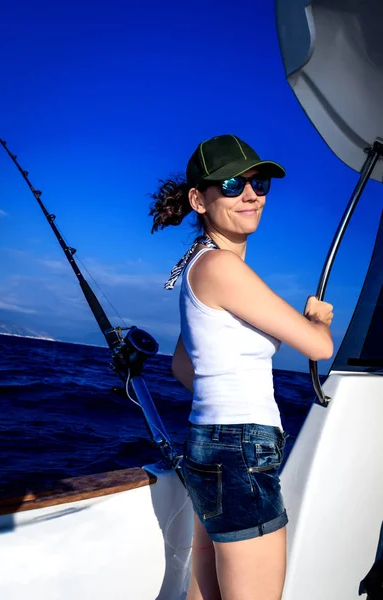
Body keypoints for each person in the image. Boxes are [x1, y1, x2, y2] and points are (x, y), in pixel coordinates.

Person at [149, 134, 334, 600]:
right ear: (199, 199)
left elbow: (179, 363)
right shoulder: (224, 269)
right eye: (231, 184)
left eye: (259, 182)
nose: (250, 194)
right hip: (240, 450)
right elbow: (317, 346)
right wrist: (318, 318)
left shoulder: (199, 265)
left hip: (210, 442)